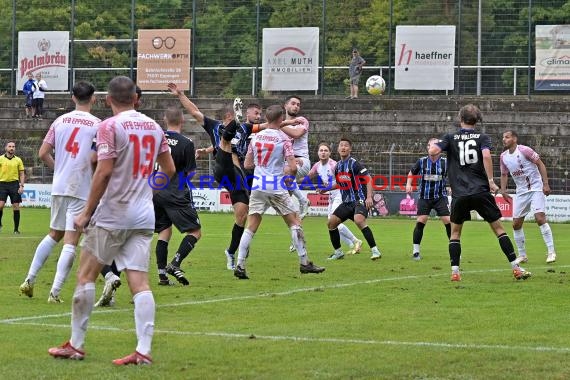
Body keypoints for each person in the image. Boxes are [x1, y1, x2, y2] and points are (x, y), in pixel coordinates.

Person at [48, 76, 176, 365]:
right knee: (140, 282)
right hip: (144, 214)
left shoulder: (109, 126)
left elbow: (103, 172)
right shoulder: (154, 127)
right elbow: (168, 169)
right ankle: (143, 351)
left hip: (114, 213)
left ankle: (76, 345)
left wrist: (86, 212)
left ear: (107, 100)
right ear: (135, 98)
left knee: (85, 275)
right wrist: (148, 187)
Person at [429, 104, 532, 282]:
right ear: (477, 120)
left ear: (460, 119)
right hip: (480, 190)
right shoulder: (482, 137)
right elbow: (485, 156)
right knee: (499, 229)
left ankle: (455, 272)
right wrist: (491, 181)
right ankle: (516, 268)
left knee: (455, 233)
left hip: (460, 193)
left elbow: (433, 152)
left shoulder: (450, 137)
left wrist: (437, 146)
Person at [19, 81, 100, 302]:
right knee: (71, 241)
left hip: (60, 184)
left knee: (54, 233)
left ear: (73, 98)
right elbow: (97, 159)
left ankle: (29, 279)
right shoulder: (98, 125)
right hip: (81, 186)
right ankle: (54, 292)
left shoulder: (59, 121)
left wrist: (59, 169)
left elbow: (43, 152)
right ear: (93, 99)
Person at [233, 104, 325, 279]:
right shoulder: (283, 139)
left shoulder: (256, 137)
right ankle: (305, 263)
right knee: (295, 222)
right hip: (275, 186)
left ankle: (240, 265)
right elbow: (292, 168)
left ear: (267, 119)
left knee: (251, 226)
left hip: (258, 185)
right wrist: (290, 168)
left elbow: (247, 165)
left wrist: (262, 166)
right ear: (281, 119)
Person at [167, 83, 250, 271]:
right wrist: (180, 94)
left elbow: (270, 124)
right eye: (233, 118)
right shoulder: (215, 126)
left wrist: (288, 123)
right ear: (227, 117)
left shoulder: (244, 130)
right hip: (224, 167)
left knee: (242, 216)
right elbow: (195, 112)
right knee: (225, 143)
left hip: (237, 177)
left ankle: (230, 252)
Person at [153, 106, 201, 286]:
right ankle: (175, 264)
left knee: (164, 231)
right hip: (176, 192)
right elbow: (190, 173)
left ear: (165, 120)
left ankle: (162, 275)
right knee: (195, 231)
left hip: (156, 191)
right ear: (182, 120)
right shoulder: (186, 143)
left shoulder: (156, 138)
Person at [499, 130, 557, 264]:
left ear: (514, 139)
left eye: (507, 137)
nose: (504, 139)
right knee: (516, 224)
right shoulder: (503, 156)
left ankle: (551, 252)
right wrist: (503, 190)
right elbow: (503, 174)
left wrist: (545, 184)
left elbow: (540, 164)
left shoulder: (525, 150)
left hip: (536, 188)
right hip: (521, 192)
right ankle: (523, 255)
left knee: (540, 218)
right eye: (503, 137)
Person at [323, 138, 382, 260]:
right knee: (331, 223)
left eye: (346, 145)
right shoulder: (338, 166)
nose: (343, 147)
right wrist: (326, 189)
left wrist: (369, 197)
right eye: (341, 145)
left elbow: (369, 179)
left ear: (350, 149)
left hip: (359, 200)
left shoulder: (354, 164)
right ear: (338, 149)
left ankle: (375, 251)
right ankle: (338, 252)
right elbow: (340, 183)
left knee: (359, 220)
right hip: (346, 202)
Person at [308, 142, 362, 258]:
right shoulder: (317, 166)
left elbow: (341, 181)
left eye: (325, 150)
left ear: (330, 153)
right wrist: (292, 179)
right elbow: (307, 177)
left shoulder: (334, 165)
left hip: (340, 194)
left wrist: (325, 188)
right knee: (331, 223)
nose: (323, 153)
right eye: (321, 150)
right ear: (318, 153)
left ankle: (354, 241)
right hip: (331, 196)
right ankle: (353, 244)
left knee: (333, 222)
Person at [405, 138, 451, 261]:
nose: (432, 147)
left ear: (440, 149)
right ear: (427, 147)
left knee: (448, 221)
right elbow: (411, 172)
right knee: (421, 220)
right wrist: (409, 184)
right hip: (424, 197)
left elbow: (453, 174)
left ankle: (455, 249)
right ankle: (415, 251)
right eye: (430, 145)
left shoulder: (446, 162)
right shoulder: (421, 161)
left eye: (435, 145)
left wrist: (452, 186)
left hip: (440, 197)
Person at [280, 95, 310, 219]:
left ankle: (303, 200)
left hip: (302, 160)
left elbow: (296, 134)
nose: (296, 106)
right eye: (293, 103)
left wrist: (277, 125)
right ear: (285, 105)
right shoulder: (280, 125)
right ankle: (294, 213)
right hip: (288, 161)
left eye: (298, 104)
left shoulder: (302, 120)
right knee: (284, 194)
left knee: (284, 174)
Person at [0, 141, 25, 234]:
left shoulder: (18, 160)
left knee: (16, 206)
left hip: (14, 184)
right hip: (2, 184)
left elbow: (22, 174)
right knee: (0, 205)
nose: (11, 148)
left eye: (13, 146)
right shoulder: (0, 159)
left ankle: (16, 230)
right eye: (10, 146)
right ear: (6, 148)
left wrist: (21, 186)